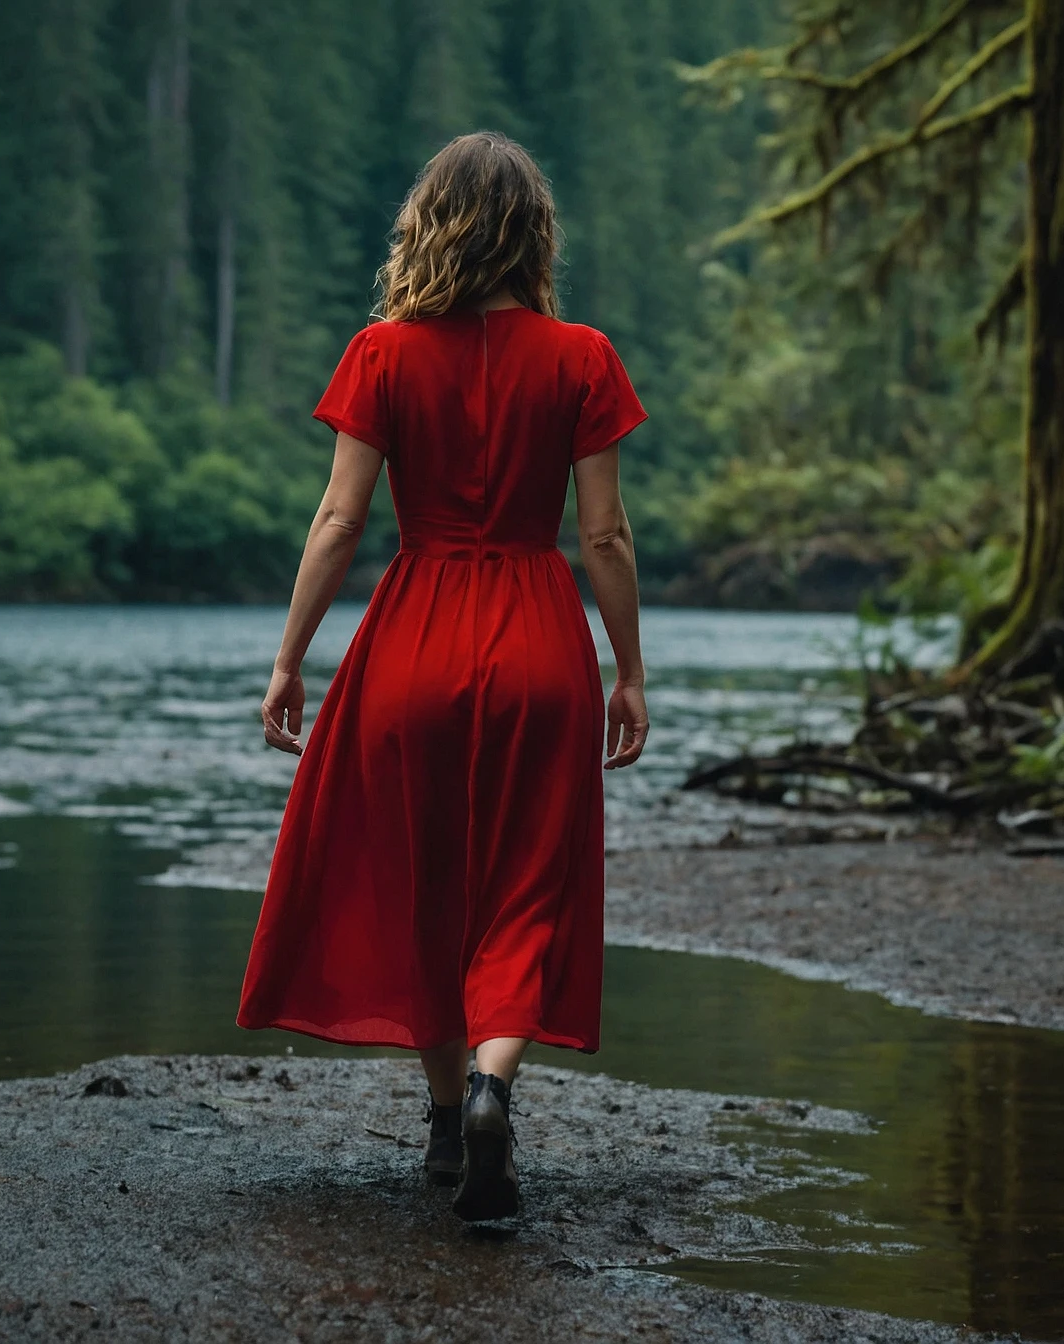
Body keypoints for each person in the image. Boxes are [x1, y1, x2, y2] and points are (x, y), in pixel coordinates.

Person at [236, 130, 648, 1222]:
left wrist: (288, 661)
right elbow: (602, 538)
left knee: (423, 878)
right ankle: (488, 1089)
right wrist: (629, 673)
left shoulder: (381, 353)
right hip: (537, 638)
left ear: (431, 225)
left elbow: (338, 519)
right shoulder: (583, 357)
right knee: (525, 881)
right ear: (533, 234)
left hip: (411, 640)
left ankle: (437, 1119)